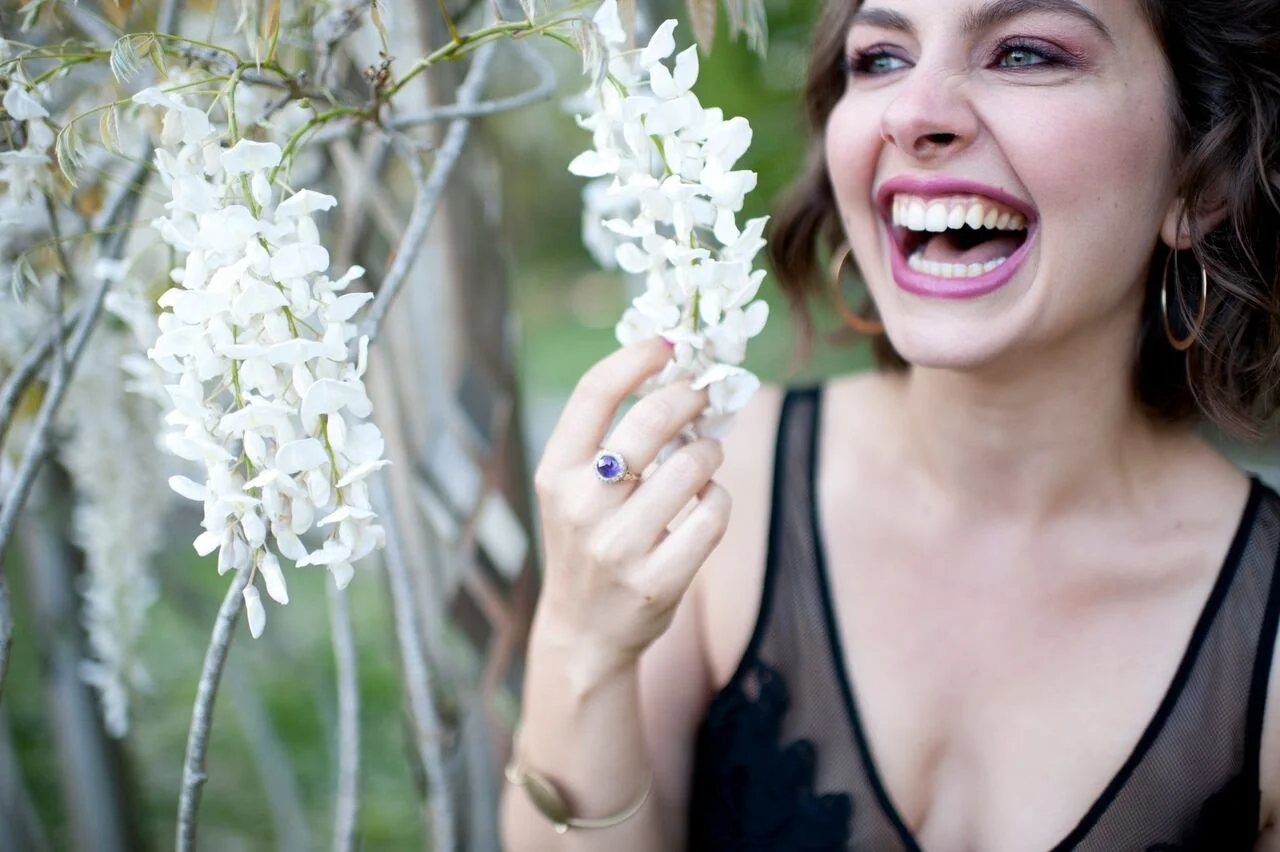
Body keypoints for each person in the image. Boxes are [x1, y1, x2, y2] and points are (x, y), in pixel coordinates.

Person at [500, 0, 1280, 848]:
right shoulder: (717, 485)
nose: (913, 113)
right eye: (879, 59)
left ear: (1201, 179)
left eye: (1024, 54)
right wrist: (582, 645)